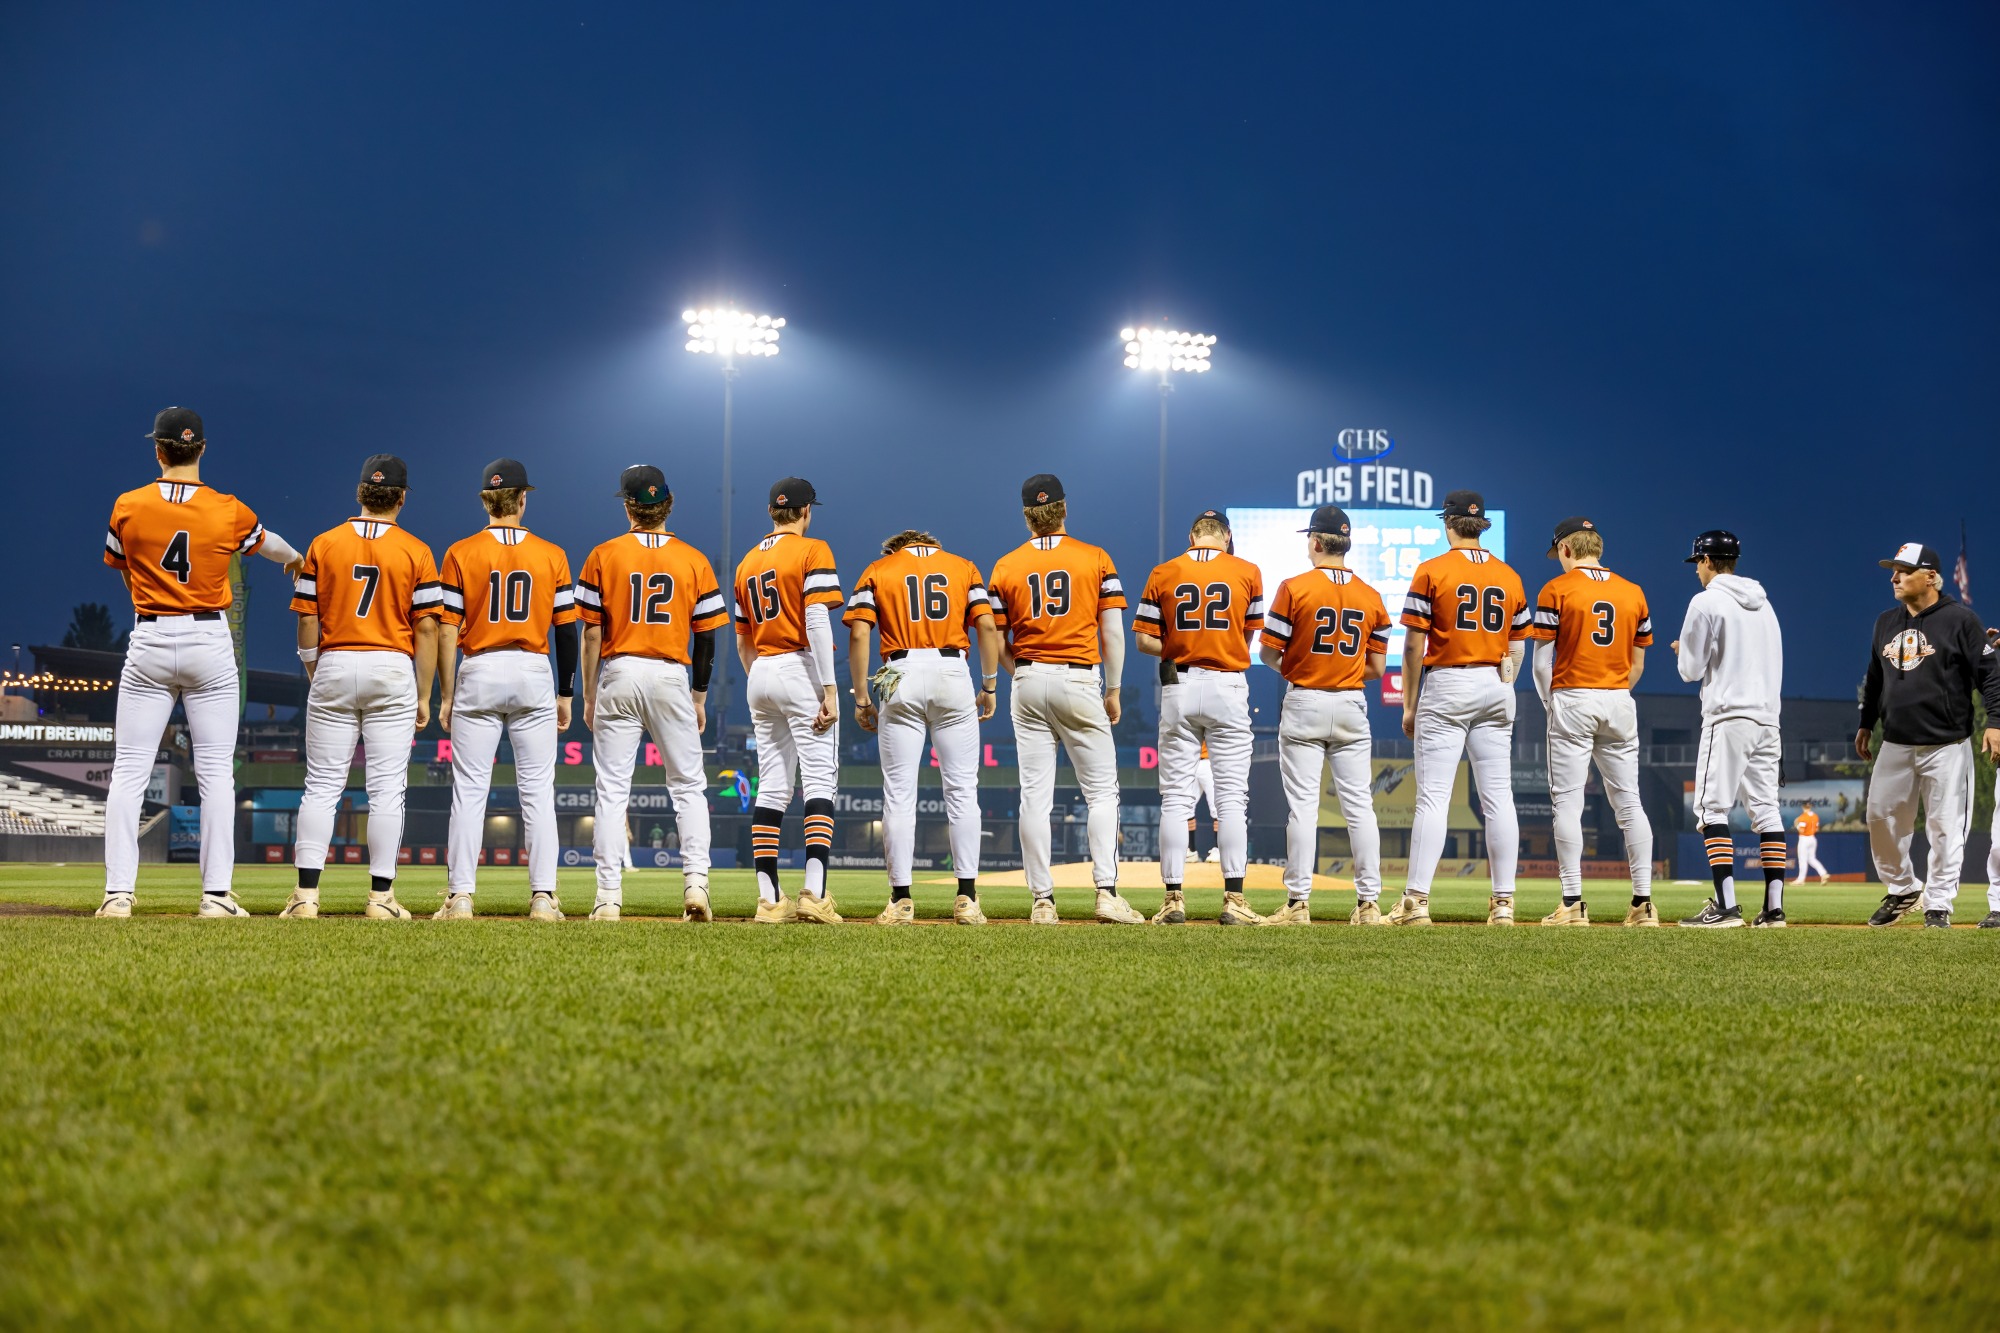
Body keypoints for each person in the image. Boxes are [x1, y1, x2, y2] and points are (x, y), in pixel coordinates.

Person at [97, 407, 304, 918]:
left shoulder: (128, 504)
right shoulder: (227, 507)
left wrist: (150, 600)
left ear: (158, 450)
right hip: (209, 640)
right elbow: (270, 545)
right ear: (203, 449)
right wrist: (297, 558)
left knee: (128, 771)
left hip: (149, 635)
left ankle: (118, 895)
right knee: (216, 776)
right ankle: (215, 898)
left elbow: (124, 570)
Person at [281, 454, 441, 921]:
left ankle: (306, 896)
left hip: (335, 659)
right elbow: (428, 629)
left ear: (359, 493)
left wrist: (314, 667)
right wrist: (424, 693)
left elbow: (307, 616)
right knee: (387, 790)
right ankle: (380, 898)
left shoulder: (324, 543)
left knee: (322, 786)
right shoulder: (416, 549)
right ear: (402, 497)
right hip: (391, 665)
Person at [987, 473, 1146, 925]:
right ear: (1064, 508)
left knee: (1034, 797)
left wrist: (1023, 675)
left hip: (1029, 678)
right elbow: (1112, 633)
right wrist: (1113, 690)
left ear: (1026, 515)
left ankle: (1042, 901)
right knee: (1101, 794)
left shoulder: (1005, 565)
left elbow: (997, 638)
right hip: (1078, 679)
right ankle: (1106, 894)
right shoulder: (1094, 557)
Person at [576, 465, 727, 923]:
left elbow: (590, 635)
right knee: (688, 787)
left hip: (619, 671)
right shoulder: (694, 559)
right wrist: (699, 697)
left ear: (628, 507)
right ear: (670, 504)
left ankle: (607, 897)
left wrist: (587, 695)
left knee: (612, 792)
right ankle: (697, 883)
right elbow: (706, 637)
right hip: (668, 674)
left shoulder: (604, 554)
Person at [434, 458, 578, 921]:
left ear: (484, 500)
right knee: (537, 791)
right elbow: (566, 631)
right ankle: (543, 897)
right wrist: (566, 693)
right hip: (533, 668)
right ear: (522, 498)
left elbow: (445, 629)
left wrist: (445, 694)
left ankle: (460, 897)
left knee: (470, 791)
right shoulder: (551, 552)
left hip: (479, 666)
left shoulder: (460, 551)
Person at [845, 528, 1001, 925]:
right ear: (931, 545)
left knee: (899, 795)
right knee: (963, 791)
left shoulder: (880, 568)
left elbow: (860, 631)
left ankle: (901, 901)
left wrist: (862, 697)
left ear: (897, 547)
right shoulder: (962, 566)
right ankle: (966, 898)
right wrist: (989, 685)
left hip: (900, 672)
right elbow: (986, 627)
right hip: (952, 671)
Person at [1388, 489, 1529, 926]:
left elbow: (1413, 647)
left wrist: (1410, 705)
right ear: (1481, 524)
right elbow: (1518, 646)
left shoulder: (1432, 570)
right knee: (1499, 798)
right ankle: (1503, 904)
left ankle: (1415, 902)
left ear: (1447, 524)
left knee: (1433, 799)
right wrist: (1503, 684)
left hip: (1448, 682)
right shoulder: (1509, 575)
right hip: (1494, 682)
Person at [1258, 503, 1391, 925]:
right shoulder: (1371, 595)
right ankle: (1369, 904)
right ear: (1346, 544)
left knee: (1303, 808)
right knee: (1360, 808)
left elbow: (1267, 652)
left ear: (1315, 542)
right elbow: (1376, 669)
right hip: (1351, 701)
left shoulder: (1295, 587)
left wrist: (1300, 670)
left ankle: (1298, 903)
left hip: (1306, 700)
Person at [1856, 543, 2000, 928]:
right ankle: (1903, 888)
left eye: (1904, 570)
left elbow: (1990, 673)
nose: (1894, 577)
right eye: (1893, 570)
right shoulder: (1886, 621)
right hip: (1896, 741)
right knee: (1879, 815)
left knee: (1946, 827)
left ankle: (1938, 904)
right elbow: (1875, 679)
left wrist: (1996, 722)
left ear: (1931, 576)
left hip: (1947, 744)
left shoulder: (1960, 620)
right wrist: (1866, 722)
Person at [1133, 509, 1266, 925]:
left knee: (1174, 798)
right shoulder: (1247, 570)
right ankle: (1234, 900)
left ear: (1192, 536)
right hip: (1228, 682)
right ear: (1225, 537)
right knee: (1231, 800)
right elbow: (1246, 637)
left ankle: (1173, 899)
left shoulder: (1164, 570)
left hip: (1180, 685)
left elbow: (1143, 640)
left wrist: (1179, 647)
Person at [1527, 517, 1658, 927]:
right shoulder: (1633, 591)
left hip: (1573, 696)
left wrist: (1554, 703)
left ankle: (1572, 904)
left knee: (1567, 803)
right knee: (1630, 803)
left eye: (1558, 554)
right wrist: (1615, 691)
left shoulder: (1557, 588)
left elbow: (1541, 662)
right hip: (1619, 699)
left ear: (1567, 549)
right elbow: (1638, 664)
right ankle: (1643, 905)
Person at [735, 477, 845, 924]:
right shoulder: (812, 549)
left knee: (773, 786)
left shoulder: (745, 561)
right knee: (819, 782)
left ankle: (769, 901)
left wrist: (763, 680)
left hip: (759, 670)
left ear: (770, 513)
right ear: (805, 512)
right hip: (800, 666)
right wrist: (830, 688)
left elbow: (742, 640)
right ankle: (814, 895)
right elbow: (817, 618)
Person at [1673, 530, 1786, 928]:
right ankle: (1773, 910)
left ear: (1705, 562)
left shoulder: (1706, 601)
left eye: (1698, 564)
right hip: (1768, 720)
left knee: (1710, 807)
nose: (1697, 572)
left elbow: (1689, 670)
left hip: (1729, 715)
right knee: (1767, 812)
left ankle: (1725, 907)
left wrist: (1684, 651)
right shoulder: (1765, 605)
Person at [1792, 802, 1828, 885]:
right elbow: (1817, 829)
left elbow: (1802, 830)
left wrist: (1796, 825)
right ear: (1810, 807)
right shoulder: (1815, 816)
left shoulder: (1803, 817)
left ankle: (1801, 880)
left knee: (1802, 859)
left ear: (1803, 807)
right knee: (1811, 859)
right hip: (1813, 839)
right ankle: (1823, 874)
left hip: (1804, 839)